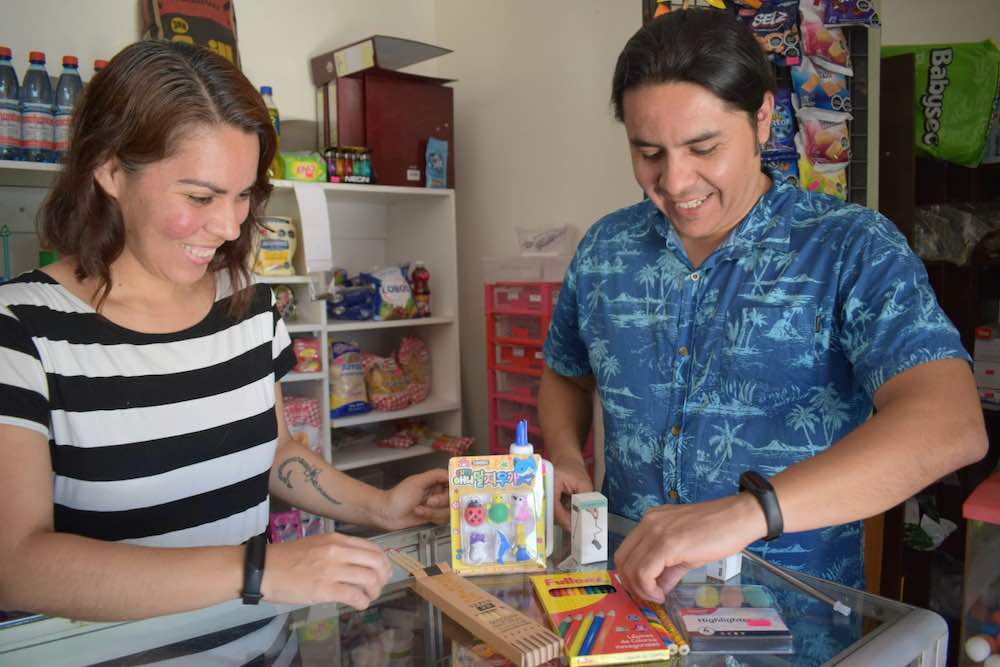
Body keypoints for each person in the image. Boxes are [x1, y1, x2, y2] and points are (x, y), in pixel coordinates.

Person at [540, 8, 987, 605]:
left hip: (797, 612)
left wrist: (751, 511)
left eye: (704, 147)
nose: (675, 182)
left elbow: (951, 424)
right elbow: (565, 373)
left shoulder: (848, 246)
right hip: (629, 604)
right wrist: (567, 457)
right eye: (648, 153)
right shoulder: (607, 248)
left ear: (763, 119)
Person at [0, 40, 449, 622]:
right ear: (110, 169)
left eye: (243, 196)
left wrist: (381, 506)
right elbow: (17, 566)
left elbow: (276, 452)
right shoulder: (23, 330)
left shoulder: (248, 305)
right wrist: (258, 569)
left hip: (259, 650)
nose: (229, 224)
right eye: (200, 196)